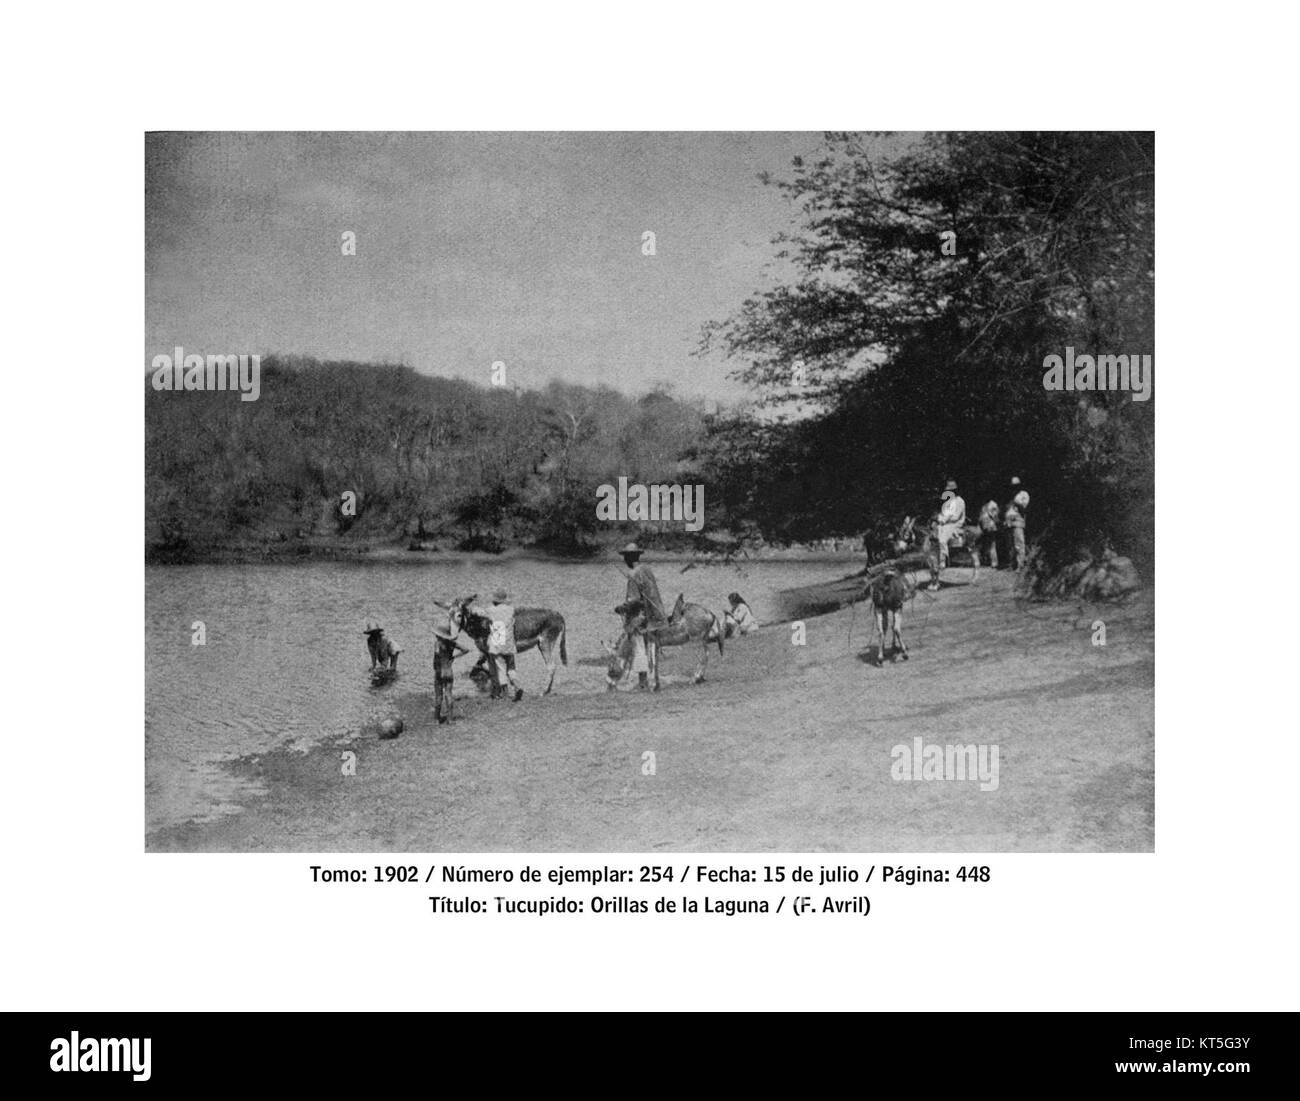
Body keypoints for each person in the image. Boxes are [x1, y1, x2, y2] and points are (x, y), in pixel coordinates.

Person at [607, 542, 666, 692]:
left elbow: (633, 600)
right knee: (624, 650)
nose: (624, 560)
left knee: (638, 649)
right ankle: (612, 682)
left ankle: (642, 683)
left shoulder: (633, 575)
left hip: (637, 620)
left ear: (629, 557)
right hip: (650, 617)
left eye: (625, 557)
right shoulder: (647, 570)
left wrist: (621, 608)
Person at [486, 589, 524, 701]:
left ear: (495, 600)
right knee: (511, 668)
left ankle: (505, 693)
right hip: (509, 643)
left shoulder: (490, 610)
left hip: (498, 640)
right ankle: (517, 685)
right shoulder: (511, 609)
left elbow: (478, 612)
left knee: (501, 668)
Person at [432, 625, 470, 724]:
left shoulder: (438, 643)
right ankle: (450, 719)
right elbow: (466, 649)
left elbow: (436, 657)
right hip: (448, 670)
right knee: (449, 694)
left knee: (438, 695)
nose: (436, 636)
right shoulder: (452, 643)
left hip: (440, 670)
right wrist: (453, 657)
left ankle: (436, 719)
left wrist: (435, 668)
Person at [932, 479, 967, 588]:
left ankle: (943, 560)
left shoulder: (960, 501)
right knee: (935, 531)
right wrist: (939, 518)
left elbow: (955, 516)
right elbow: (944, 514)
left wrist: (944, 520)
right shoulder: (949, 502)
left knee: (942, 539)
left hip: (955, 524)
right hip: (947, 523)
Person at [1005, 477, 1030, 570]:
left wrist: (1017, 501)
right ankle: (1012, 564)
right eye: (1012, 486)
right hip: (1009, 523)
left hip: (1018, 522)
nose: (1014, 488)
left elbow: (1024, 506)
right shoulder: (1010, 496)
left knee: (1019, 544)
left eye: (1016, 486)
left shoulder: (1023, 494)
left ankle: (1020, 565)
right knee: (1010, 545)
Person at [977, 499, 1000, 568]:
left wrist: (991, 518)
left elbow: (995, 515)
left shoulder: (992, 504)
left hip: (990, 527)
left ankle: (994, 562)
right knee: (987, 545)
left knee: (991, 545)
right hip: (985, 528)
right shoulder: (985, 506)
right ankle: (987, 561)